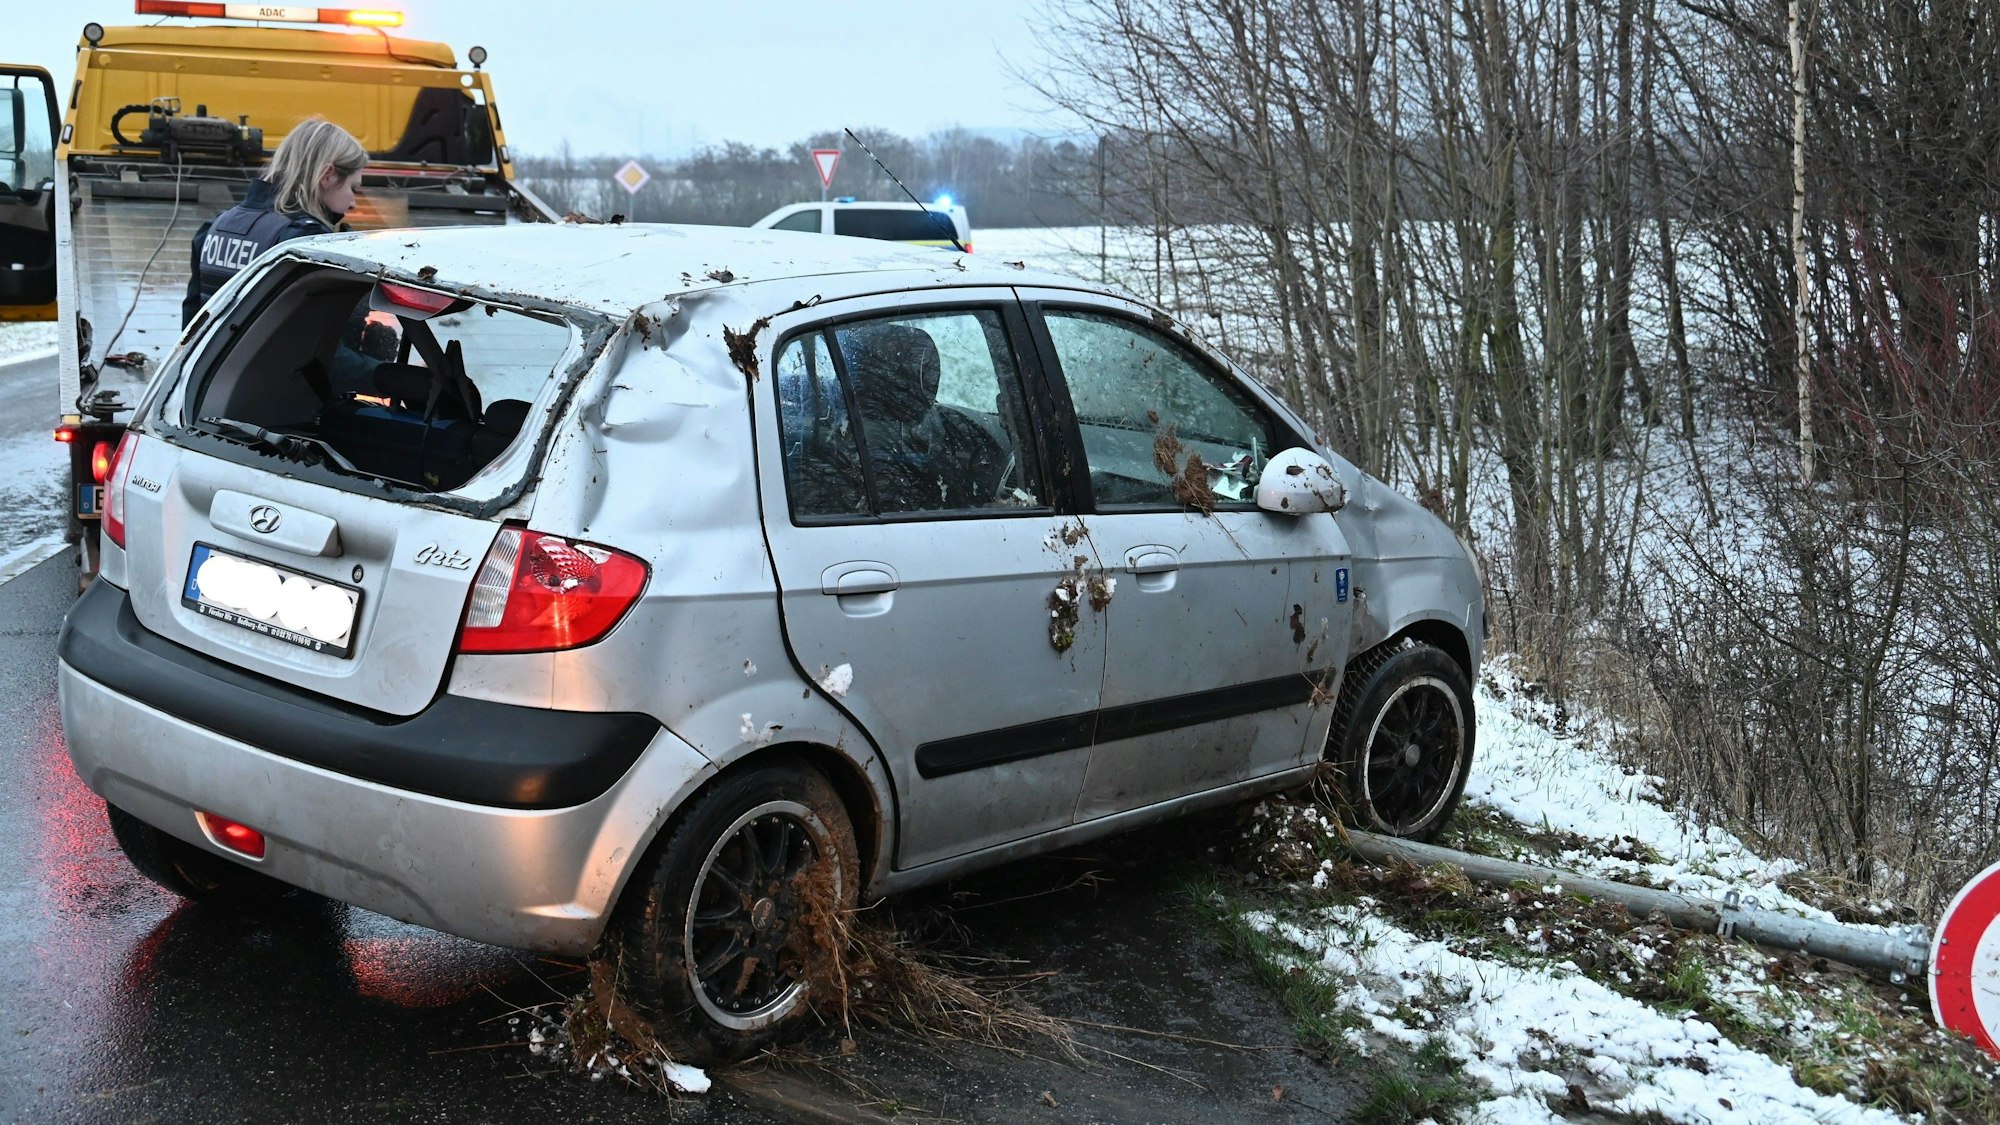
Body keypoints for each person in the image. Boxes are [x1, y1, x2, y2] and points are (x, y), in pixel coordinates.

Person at [182, 117, 366, 326]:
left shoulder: (214, 228)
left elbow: (189, 331)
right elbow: (328, 337)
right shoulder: (306, 244)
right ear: (327, 176)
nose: (352, 204)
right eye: (353, 188)